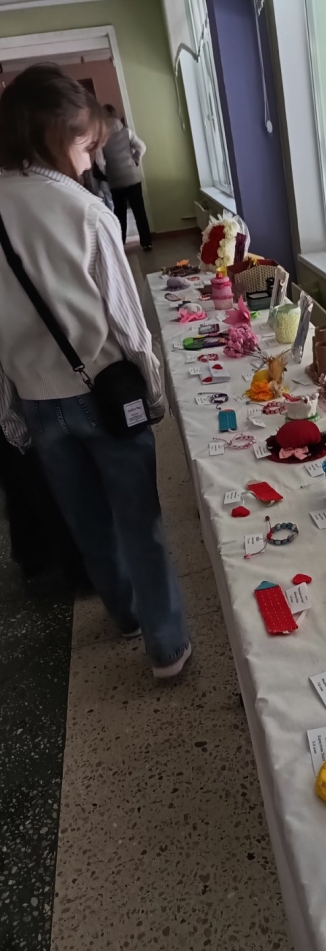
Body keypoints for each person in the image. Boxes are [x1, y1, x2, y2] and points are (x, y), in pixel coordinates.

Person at [0, 64, 191, 678]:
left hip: (35, 398)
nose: (90, 161)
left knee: (86, 521)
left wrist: (10, 414)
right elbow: (129, 326)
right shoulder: (84, 211)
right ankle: (166, 647)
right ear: (54, 136)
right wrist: (153, 394)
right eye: (85, 146)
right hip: (104, 394)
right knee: (140, 520)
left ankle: (125, 614)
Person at [99, 103, 152, 250]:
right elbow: (142, 147)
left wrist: (108, 172)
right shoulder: (126, 132)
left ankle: (120, 243)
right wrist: (135, 159)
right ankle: (146, 243)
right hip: (131, 176)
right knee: (139, 211)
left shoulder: (101, 138)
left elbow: (100, 161)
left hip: (115, 179)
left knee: (120, 212)